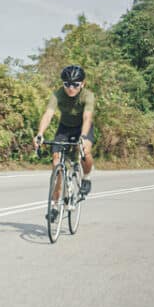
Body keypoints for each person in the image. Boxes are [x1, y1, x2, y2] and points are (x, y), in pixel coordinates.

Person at [34, 64, 95, 220]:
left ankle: (86, 178)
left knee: (85, 152)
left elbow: (87, 118)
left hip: (82, 128)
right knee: (56, 163)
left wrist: (83, 136)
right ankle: (54, 205)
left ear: (83, 84)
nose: (70, 88)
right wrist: (40, 134)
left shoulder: (88, 96)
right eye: (67, 84)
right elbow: (48, 114)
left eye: (75, 84)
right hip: (65, 128)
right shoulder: (58, 94)